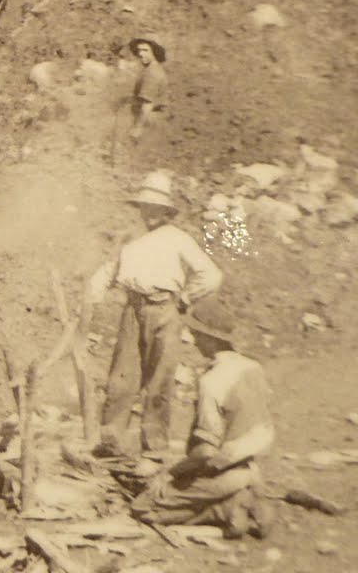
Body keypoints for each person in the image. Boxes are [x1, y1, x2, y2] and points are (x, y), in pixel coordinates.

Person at [88, 170, 224, 460]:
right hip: (132, 310)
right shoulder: (132, 241)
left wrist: (185, 298)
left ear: (165, 212)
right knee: (121, 378)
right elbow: (108, 271)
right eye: (145, 208)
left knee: (160, 380)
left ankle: (155, 448)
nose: (150, 214)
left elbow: (210, 274)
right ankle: (111, 442)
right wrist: (92, 296)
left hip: (165, 310)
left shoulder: (178, 239)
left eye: (156, 209)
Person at [132, 298, 274, 538]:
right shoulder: (253, 367)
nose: (194, 340)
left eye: (197, 334)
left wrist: (169, 474)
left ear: (210, 338)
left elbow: (207, 451)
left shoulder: (212, 381)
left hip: (223, 472)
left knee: (143, 507)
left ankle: (224, 510)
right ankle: (239, 499)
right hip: (251, 466)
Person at [130, 36, 169, 141]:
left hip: (148, 121)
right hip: (149, 120)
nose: (140, 53)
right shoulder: (151, 69)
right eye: (139, 50)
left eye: (145, 50)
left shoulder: (152, 72)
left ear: (155, 52)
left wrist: (137, 128)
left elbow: (147, 103)